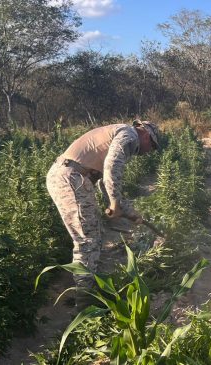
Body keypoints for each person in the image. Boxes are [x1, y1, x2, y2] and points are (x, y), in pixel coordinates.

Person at [46, 120, 160, 306]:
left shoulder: (119, 133)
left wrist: (129, 212)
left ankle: (87, 289)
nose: (149, 151)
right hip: (71, 178)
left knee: (92, 235)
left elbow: (103, 182)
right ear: (146, 134)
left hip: (72, 177)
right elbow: (112, 166)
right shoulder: (129, 134)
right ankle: (84, 300)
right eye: (152, 145)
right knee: (87, 239)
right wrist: (115, 202)